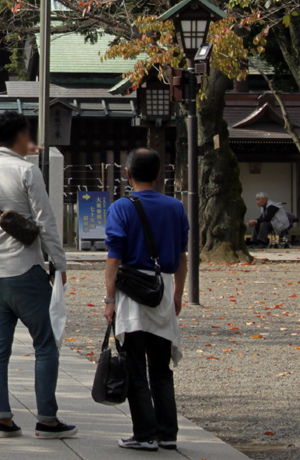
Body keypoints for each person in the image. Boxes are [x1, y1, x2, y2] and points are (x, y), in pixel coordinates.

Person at [0, 111, 74, 439]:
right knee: (46, 344)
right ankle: (47, 419)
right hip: (26, 270)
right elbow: (45, 221)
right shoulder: (27, 171)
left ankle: (1, 418)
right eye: (28, 135)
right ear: (19, 137)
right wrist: (59, 264)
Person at [106, 148, 189, 452]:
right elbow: (182, 256)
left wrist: (109, 298)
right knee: (161, 368)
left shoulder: (121, 207)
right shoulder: (175, 207)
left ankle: (144, 433)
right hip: (162, 288)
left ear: (127, 174)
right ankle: (168, 433)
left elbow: (114, 258)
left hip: (131, 292)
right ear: (158, 175)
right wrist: (178, 294)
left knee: (135, 367)